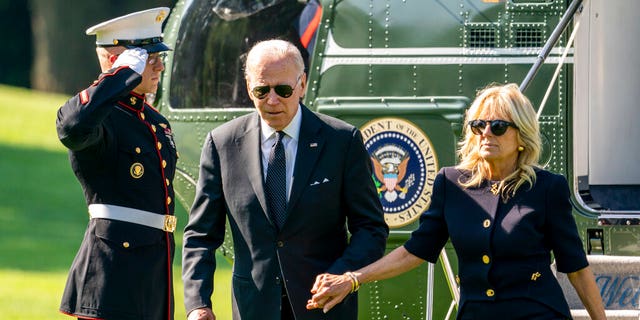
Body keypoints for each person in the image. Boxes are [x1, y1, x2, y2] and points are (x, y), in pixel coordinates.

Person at [306, 83, 607, 320]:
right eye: (479, 126)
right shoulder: (451, 183)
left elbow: (576, 268)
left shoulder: (547, 188)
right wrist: (353, 279)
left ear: (522, 137)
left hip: (536, 313)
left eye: (499, 126)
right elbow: (415, 251)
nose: (486, 133)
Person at [182, 39, 389, 320]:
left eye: (283, 89)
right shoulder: (222, 144)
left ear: (302, 85)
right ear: (248, 87)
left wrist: (342, 276)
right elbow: (201, 235)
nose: (272, 100)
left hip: (324, 308)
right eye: (261, 90)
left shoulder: (342, 141)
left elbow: (371, 228)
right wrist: (197, 303)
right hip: (253, 309)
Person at [56, 7, 178, 320]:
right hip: (111, 275)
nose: (160, 66)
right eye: (150, 59)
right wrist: (120, 77)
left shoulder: (154, 121)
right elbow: (70, 128)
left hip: (153, 274)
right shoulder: (100, 118)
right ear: (117, 60)